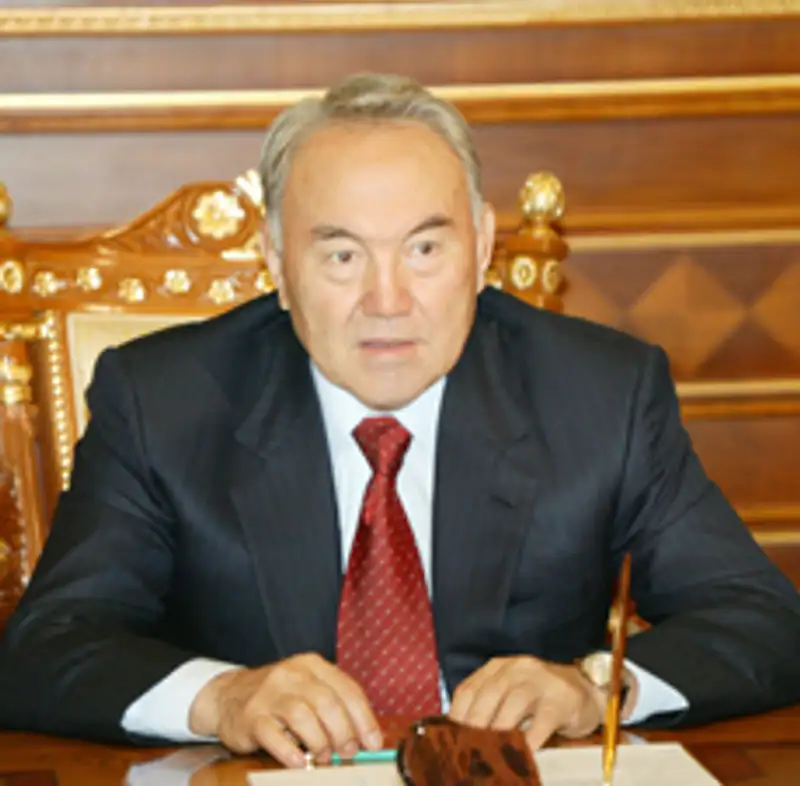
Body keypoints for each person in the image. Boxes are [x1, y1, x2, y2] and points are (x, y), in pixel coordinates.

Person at [1, 73, 799, 769]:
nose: (387, 302)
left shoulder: (601, 394)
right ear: (276, 262)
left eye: (424, 250)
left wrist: (595, 687)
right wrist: (222, 698)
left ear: (481, 247)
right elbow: (46, 648)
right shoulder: (164, 401)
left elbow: (764, 622)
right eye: (342, 256)